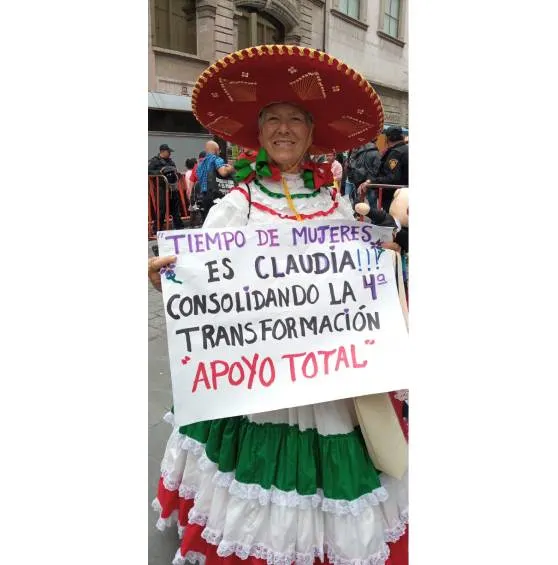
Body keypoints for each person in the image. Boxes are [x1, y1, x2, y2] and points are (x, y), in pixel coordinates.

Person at [147, 45, 408, 565]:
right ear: (258, 133)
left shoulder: (336, 201)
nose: (283, 129)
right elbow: (201, 276)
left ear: (312, 135)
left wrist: (378, 262)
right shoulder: (238, 201)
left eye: (295, 120)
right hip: (259, 376)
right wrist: (167, 280)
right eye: (272, 120)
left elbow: (352, 282)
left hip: (330, 373)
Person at [358, 127, 409, 211]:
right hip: (402, 195)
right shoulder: (405, 149)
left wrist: (371, 182)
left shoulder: (396, 153)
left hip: (394, 197)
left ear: (387, 138)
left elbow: (392, 177)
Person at [194, 139, 234, 219]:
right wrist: (231, 168)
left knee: (208, 219)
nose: (219, 152)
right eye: (219, 150)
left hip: (204, 196)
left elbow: (198, 177)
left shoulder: (201, 164)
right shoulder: (216, 159)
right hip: (216, 195)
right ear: (216, 150)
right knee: (218, 219)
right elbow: (223, 172)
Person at [148, 143, 184, 230]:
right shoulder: (155, 161)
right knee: (162, 209)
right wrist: (160, 172)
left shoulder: (170, 161)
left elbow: (174, 169)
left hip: (173, 187)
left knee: (175, 209)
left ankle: (179, 228)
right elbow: (149, 172)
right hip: (162, 188)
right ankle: (157, 229)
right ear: (162, 152)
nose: (170, 154)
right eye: (168, 152)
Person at [345, 138, 382, 207]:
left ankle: (358, 215)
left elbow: (353, 165)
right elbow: (377, 168)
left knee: (359, 201)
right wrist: (370, 179)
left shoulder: (359, 151)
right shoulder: (376, 152)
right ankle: (373, 216)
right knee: (372, 203)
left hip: (359, 180)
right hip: (371, 182)